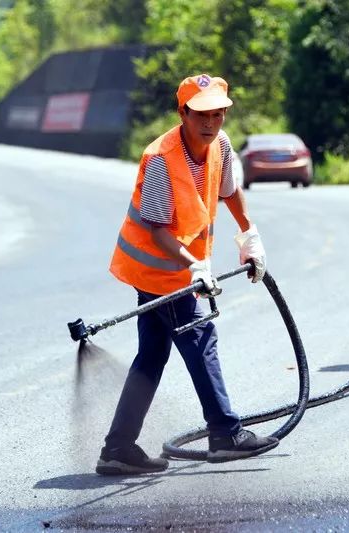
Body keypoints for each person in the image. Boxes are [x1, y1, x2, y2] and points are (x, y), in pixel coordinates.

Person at [96, 74, 279, 475]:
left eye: (218, 114)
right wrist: (194, 266)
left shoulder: (221, 146)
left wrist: (249, 234)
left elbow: (229, 191)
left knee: (152, 354)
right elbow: (159, 229)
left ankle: (118, 448)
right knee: (200, 339)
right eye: (201, 115)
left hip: (181, 269)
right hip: (161, 270)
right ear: (182, 113)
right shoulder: (161, 158)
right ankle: (225, 433)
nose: (211, 123)